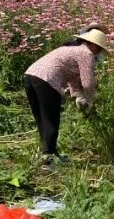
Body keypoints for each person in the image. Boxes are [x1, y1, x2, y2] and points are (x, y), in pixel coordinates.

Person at [23, 29, 109, 168]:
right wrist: (90, 100)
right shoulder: (85, 53)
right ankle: (48, 160)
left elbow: (74, 81)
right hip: (47, 80)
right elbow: (88, 82)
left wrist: (79, 97)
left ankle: (50, 153)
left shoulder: (71, 50)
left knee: (42, 119)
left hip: (30, 76)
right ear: (93, 45)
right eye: (99, 48)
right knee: (51, 120)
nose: (98, 52)